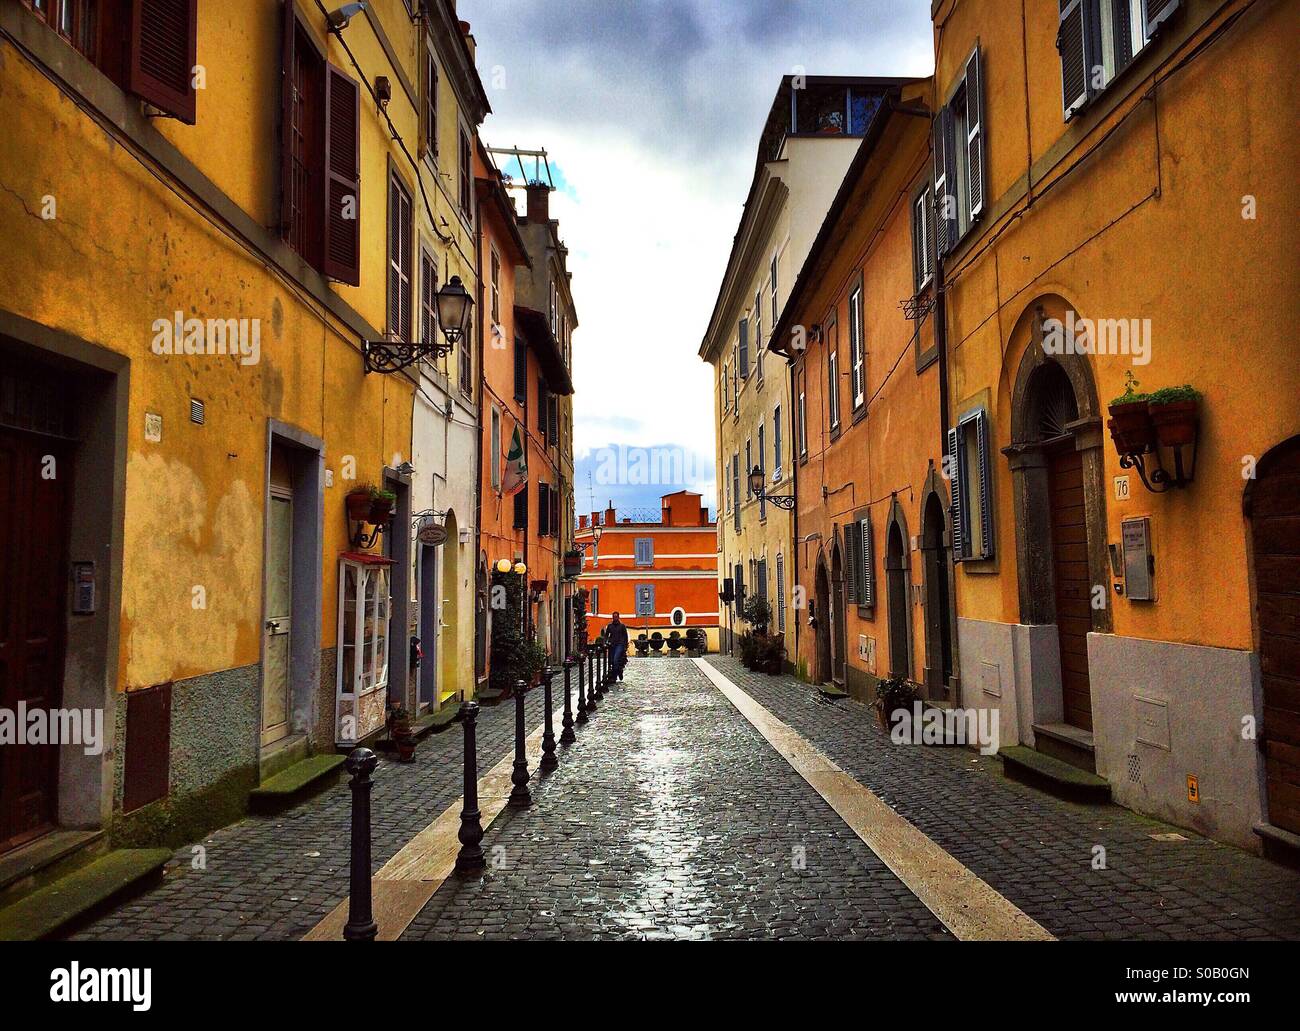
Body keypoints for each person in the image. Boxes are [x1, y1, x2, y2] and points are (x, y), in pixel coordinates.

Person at [607, 611, 629, 682]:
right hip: (612, 645)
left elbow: (625, 636)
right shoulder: (610, 626)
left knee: (616, 659)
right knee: (612, 661)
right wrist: (606, 642)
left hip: (620, 645)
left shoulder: (622, 626)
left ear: (618, 617)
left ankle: (615, 675)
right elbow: (606, 635)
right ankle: (618, 672)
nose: (615, 618)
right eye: (614, 617)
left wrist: (625, 646)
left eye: (616, 617)